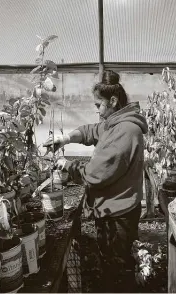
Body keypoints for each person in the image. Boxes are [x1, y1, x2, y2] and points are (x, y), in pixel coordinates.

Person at [42, 70, 148, 292]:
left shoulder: (126, 131)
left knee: (116, 267)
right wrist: (66, 138)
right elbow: (90, 131)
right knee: (113, 260)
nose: (97, 111)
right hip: (113, 208)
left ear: (113, 101)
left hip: (118, 214)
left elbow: (94, 174)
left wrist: (67, 165)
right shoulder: (115, 122)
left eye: (99, 105)